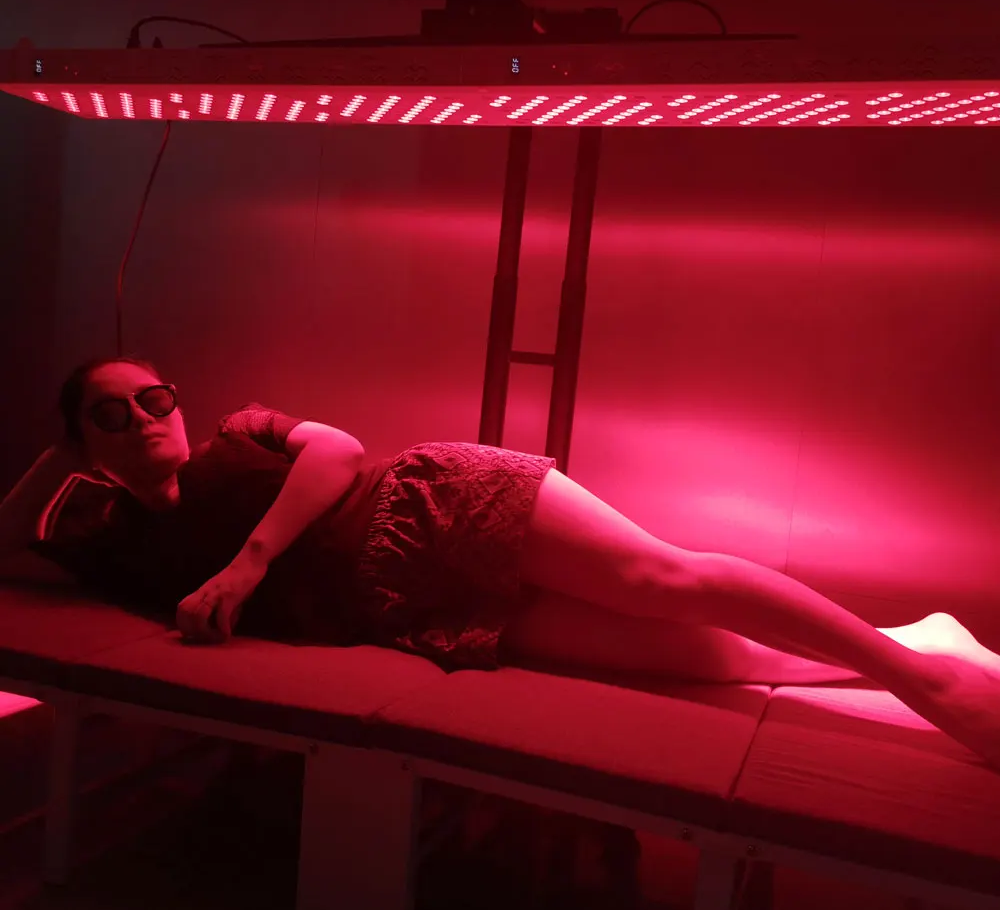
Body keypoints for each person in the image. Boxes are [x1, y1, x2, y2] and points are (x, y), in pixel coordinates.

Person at [0, 356, 998, 771]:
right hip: (406, 610)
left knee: (665, 582)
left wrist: (248, 566)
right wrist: (58, 446)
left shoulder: (236, 435)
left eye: (154, 398)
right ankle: (918, 640)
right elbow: (9, 540)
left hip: (429, 503)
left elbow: (339, 450)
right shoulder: (116, 547)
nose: (145, 417)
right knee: (705, 659)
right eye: (111, 413)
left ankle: (928, 683)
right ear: (84, 443)